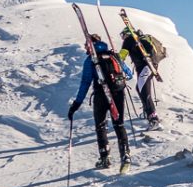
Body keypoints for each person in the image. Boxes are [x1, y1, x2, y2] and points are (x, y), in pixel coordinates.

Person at [68, 34, 133, 169]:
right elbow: (129, 74)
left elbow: (85, 83)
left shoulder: (91, 60)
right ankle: (125, 156)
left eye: (86, 44)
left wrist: (76, 104)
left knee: (101, 126)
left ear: (91, 44)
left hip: (101, 95)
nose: (85, 47)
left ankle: (105, 157)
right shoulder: (114, 55)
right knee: (119, 124)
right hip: (119, 93)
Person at [120, 27, 162, 130]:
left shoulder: (129, 40)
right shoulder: (138, 40)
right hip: (148, 66)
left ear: (127, 33)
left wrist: (117, 57)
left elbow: (122, 54)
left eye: (123, 35)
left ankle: (153, 118)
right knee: (140, 88)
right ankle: (148, 113)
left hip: (145, 67)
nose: (123, 38)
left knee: (143, 90)